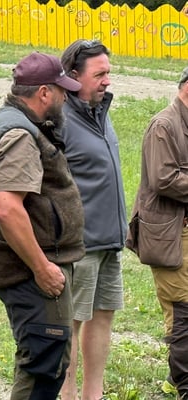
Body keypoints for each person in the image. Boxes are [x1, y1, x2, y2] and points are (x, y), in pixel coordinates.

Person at [0, 51, 85, 399]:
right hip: (31, 272)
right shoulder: (20, 134)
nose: (65, 98)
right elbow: (8, 209)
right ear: (44, 92)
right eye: (61, 90)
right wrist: (42, 268)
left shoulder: (19, 124)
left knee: (48, 359)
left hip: (37, 267)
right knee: (43, 363)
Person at [58, 40, 126, 400]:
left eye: (108, 73)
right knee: (70, 323)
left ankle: (92, 396)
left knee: (103, 317)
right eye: (99, 74)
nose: (107, 81)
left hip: (109, 240)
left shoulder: (100, 111)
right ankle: (67, 395)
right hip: (79, 245)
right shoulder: (60, 119)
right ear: (73, 76)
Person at [126, 66, 188, 400]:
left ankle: (174, 378)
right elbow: (164, 179)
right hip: (170, 235)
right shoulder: (164, 125)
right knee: (182, 311)